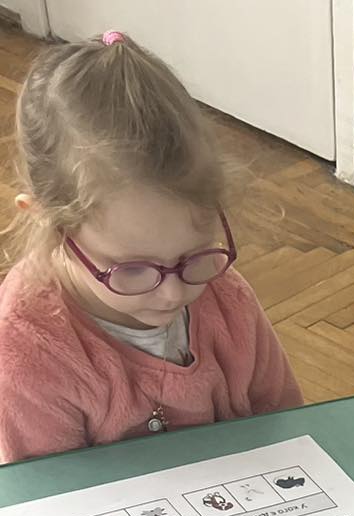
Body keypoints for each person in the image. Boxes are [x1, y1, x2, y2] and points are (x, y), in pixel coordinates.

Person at [0, 31, 301, 464]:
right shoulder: (27, 352)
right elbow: (53, 499)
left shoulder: (226, 299)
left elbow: (288, 429)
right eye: (133, 269)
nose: (174, 293)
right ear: (51, 225)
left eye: (194, 255)